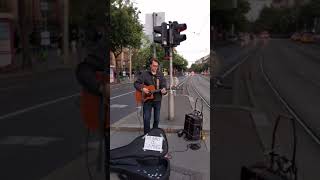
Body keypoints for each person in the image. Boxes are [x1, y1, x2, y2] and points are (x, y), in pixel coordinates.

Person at [134, 58, 167, 134]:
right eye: (154, 65)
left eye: (157, 66)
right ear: (150, 65)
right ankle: (146, 135)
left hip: (157, 100)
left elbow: (164, 85)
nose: (155, 67)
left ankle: (154, 133)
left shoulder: (160, 75)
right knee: (146, 119)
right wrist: (143, 89)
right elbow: (136, 83)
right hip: (147, 100)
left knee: (157, 119)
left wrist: (164, 91)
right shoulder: (144, 74)